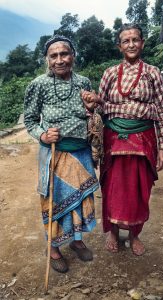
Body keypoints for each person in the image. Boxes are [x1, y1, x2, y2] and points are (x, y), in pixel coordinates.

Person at [82, 24, 163, 256]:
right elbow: (99, 110)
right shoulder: (110, 73)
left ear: (142, 43)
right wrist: (92, 109)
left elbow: (160, 111)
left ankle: (134, 234)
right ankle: (112, 231)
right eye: (126, 41)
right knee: (112, 187)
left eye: (135, 40)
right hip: (113, 140)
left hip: (143, 140)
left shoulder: (152, 73)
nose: (131, 44)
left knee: (140, 189)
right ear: (119, 46)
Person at [24, 35, 99, 273]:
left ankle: (76, 240)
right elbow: (30, 120)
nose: (59, 60)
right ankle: (54, 248)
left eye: (64, 54)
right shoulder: (38, 84)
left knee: (80, 199)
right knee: (54, 201)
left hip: (81, 153)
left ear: (73, 56)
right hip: (54, 154)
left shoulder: (83, 82)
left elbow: (92, 116)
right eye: (53, 56)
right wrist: (43, 135)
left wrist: (91, 108)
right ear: (47, 59)